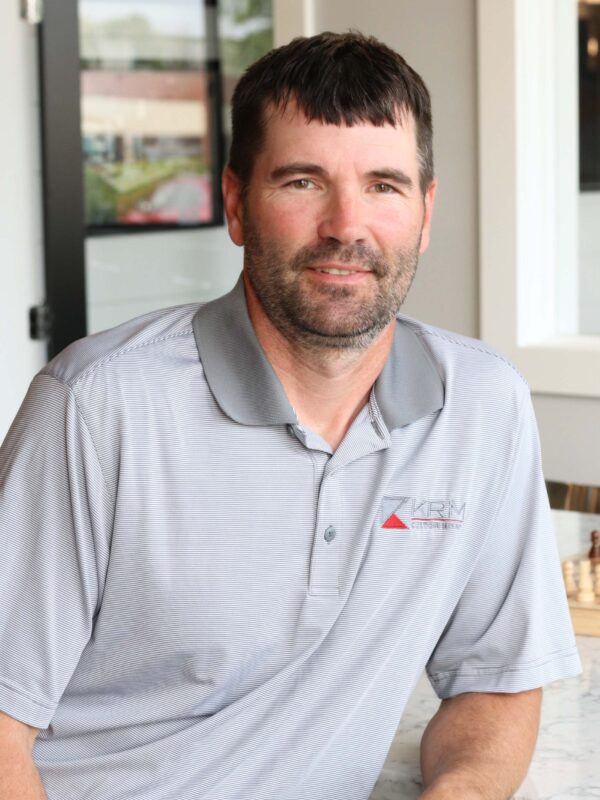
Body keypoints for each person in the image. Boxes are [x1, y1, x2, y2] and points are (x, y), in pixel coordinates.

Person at [0, 31, 581, 800]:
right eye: (303, 182)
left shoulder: (483, 406)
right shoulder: (96, 406)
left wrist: (461, 792)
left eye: (384, 185)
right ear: (237, 203)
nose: (347, 225)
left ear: (425, 210)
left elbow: (497, 680)